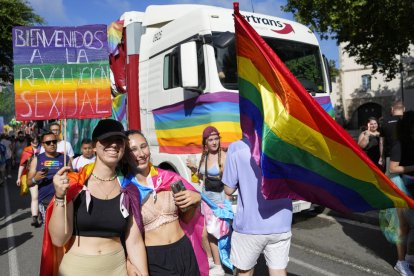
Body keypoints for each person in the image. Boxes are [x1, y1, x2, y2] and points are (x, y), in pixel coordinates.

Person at [40, 119, 148, 276]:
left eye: (119, 140)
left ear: (124, 147)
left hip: (117, 269)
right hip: (76, 269)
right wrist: (59, 196)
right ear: (95, 146)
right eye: (107, 140)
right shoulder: (75, 184)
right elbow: (58, 239)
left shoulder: (128, 189)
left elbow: (134, 241)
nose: (113, 145)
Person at [124, 130, 208, 276]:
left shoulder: (169, 178)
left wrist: (195, 200)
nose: (141, 154)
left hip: (184, 250)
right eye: (133, 149)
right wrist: (128, 262)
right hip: (155, 258)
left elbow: (187, 218)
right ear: (125, 155)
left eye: (144, 146)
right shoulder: (126, 190)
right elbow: (120, 233)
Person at [222, 137, 293, 276]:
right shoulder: (284, 143)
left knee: (244, 271)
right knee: (278, 271)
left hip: (250, 224)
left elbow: (228, 190)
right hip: (281, 222)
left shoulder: (237, 147)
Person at [186, 126, 230, 275]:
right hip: (204, 199)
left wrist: (227, 204)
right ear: (205, 142)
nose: (214, 142)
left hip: (218, 202)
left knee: (213, 234)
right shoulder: (204, 156)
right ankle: (211, 261)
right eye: (210, 139)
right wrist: (193, 170)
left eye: (216, 138)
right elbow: (202, 178)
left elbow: (230, 182)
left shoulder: (224, 157)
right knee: (204, 233)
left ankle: (218, 266)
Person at [389, 111, 414, 276]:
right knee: (403, 227)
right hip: (403, 188)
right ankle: (401, 262)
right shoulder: (399, 144)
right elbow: (392, 168)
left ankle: (409, 256)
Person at [27, 131, 70, 223]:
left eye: (54, 142)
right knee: (49, 229)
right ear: (43, 145)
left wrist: (69, 176)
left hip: (64, 198)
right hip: (46, 201)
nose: (52, 144)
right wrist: (36, 178)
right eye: (48, 143)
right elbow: (29, 182)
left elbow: (74, 177)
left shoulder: (66, 158)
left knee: (63, 227)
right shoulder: (37, 159)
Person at [16, 134, 41, 227]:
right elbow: (22, 165)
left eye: (37, 141)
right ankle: (35, 217)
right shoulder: (27, 151)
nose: (35, 142)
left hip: (43, 176)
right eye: (33, 141)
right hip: (30, 176)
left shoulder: (44, 150)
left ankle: (41, 214)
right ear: (30, 142)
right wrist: (18, 177)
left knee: (41, 198)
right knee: (34, 197)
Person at [382, 101, 405, 173]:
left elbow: (381, 141)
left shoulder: (385, 121)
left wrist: (381, 156)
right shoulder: (408, 120)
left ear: (392, 109)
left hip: (391, 155)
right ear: (404, 109)